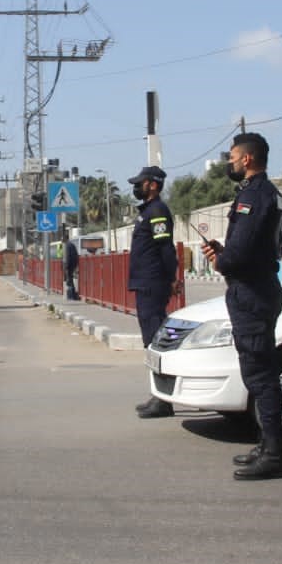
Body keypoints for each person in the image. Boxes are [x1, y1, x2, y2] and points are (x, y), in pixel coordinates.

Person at [200, 133, 282, 480]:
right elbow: (255, 245)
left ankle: (274, 455)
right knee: (259, 371)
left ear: (247, 159)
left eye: (233, 157)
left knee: (260, 374)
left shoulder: (253, 196)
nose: (230, 162)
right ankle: (266, 444)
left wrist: (221, 259)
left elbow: (241, 252)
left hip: (252, 292)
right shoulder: (270, 193)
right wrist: (226, 252)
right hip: (260, 286)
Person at [126, 165, 182, 419]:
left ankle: (163, 400)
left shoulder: (157, 211)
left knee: (155, 340)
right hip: (145, 282)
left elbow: (165, 249)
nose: (137, 187)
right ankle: (158, 395)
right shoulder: (148, 211)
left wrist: (171, 278)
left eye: (141, 183)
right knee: (151, 340)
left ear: (153, 185)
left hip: (153, 283)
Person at [63, 233, 81, 300]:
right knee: (70, 280)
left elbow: (68, 256)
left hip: (70, 265)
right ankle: (73, 295)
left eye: (62, 239)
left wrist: (66, 266)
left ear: (65, 239)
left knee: (69, 280)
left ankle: (71, 296)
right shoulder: (71, 244)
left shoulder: (68, 245)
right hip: (73, 264)